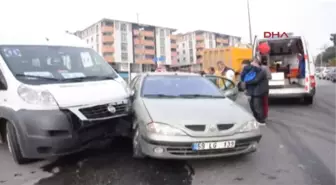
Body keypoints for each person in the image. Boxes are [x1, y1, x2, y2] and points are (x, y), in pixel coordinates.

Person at [240, 54, 268, 124]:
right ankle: (256, 119)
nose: (252, 65)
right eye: (252, 63)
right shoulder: (251, 71)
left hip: (259, 91)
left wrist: (246, 82)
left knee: (257, 106)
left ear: (257, 63)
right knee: (253, 106)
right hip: (253, 92)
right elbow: (244, 78)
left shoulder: (262, 71)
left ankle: (261, 120)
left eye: (254, 63)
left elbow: (255, 80)